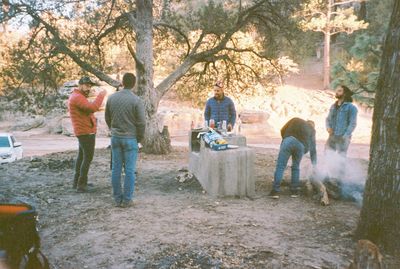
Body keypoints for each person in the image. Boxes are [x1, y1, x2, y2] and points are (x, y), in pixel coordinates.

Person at [105, 73, 146, 208]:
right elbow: (141, 122)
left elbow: (107, 118)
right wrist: (139, 137)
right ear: (133, 84)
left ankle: (117, 198)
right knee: (129, 170)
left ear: (122, 82)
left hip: (116, 138)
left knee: (116, 168)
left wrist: (114, 129)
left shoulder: (111, 98)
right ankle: (127, 199)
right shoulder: (136, 100)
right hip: (130, 138)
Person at [68, 76, 106, 192]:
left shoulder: (78, 96)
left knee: (82, 157)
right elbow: (93, 108)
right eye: (87, 85)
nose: (88, 88)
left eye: (90, 86)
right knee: (87, 158)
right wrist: (102, 95)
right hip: (85, 132)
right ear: (80, 85)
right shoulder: (77, 97)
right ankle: (81, 185)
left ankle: (77, 182)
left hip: (84, 131)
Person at [269, 118, 317, 199]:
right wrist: (314, 164)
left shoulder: (295, 120)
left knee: (280, 166)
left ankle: (275, 191)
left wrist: (285, 139)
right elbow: (313, 148)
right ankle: (294, 191)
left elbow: (282, 129)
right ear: (312, 126)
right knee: (295, 167)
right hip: (300, 146)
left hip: (288, 141)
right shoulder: (312, 130)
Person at [326, 85, 358, 156]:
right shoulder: (333, 106)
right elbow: (328, 119)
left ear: (345, 93)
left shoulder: (351, 107)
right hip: (332, 136)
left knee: (341, 158)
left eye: (339, 91)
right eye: (336, 90)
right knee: (328, 156)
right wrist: (328, 127)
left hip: (343, 137)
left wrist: (346, 135)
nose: (337, 92)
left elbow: (352, 123)